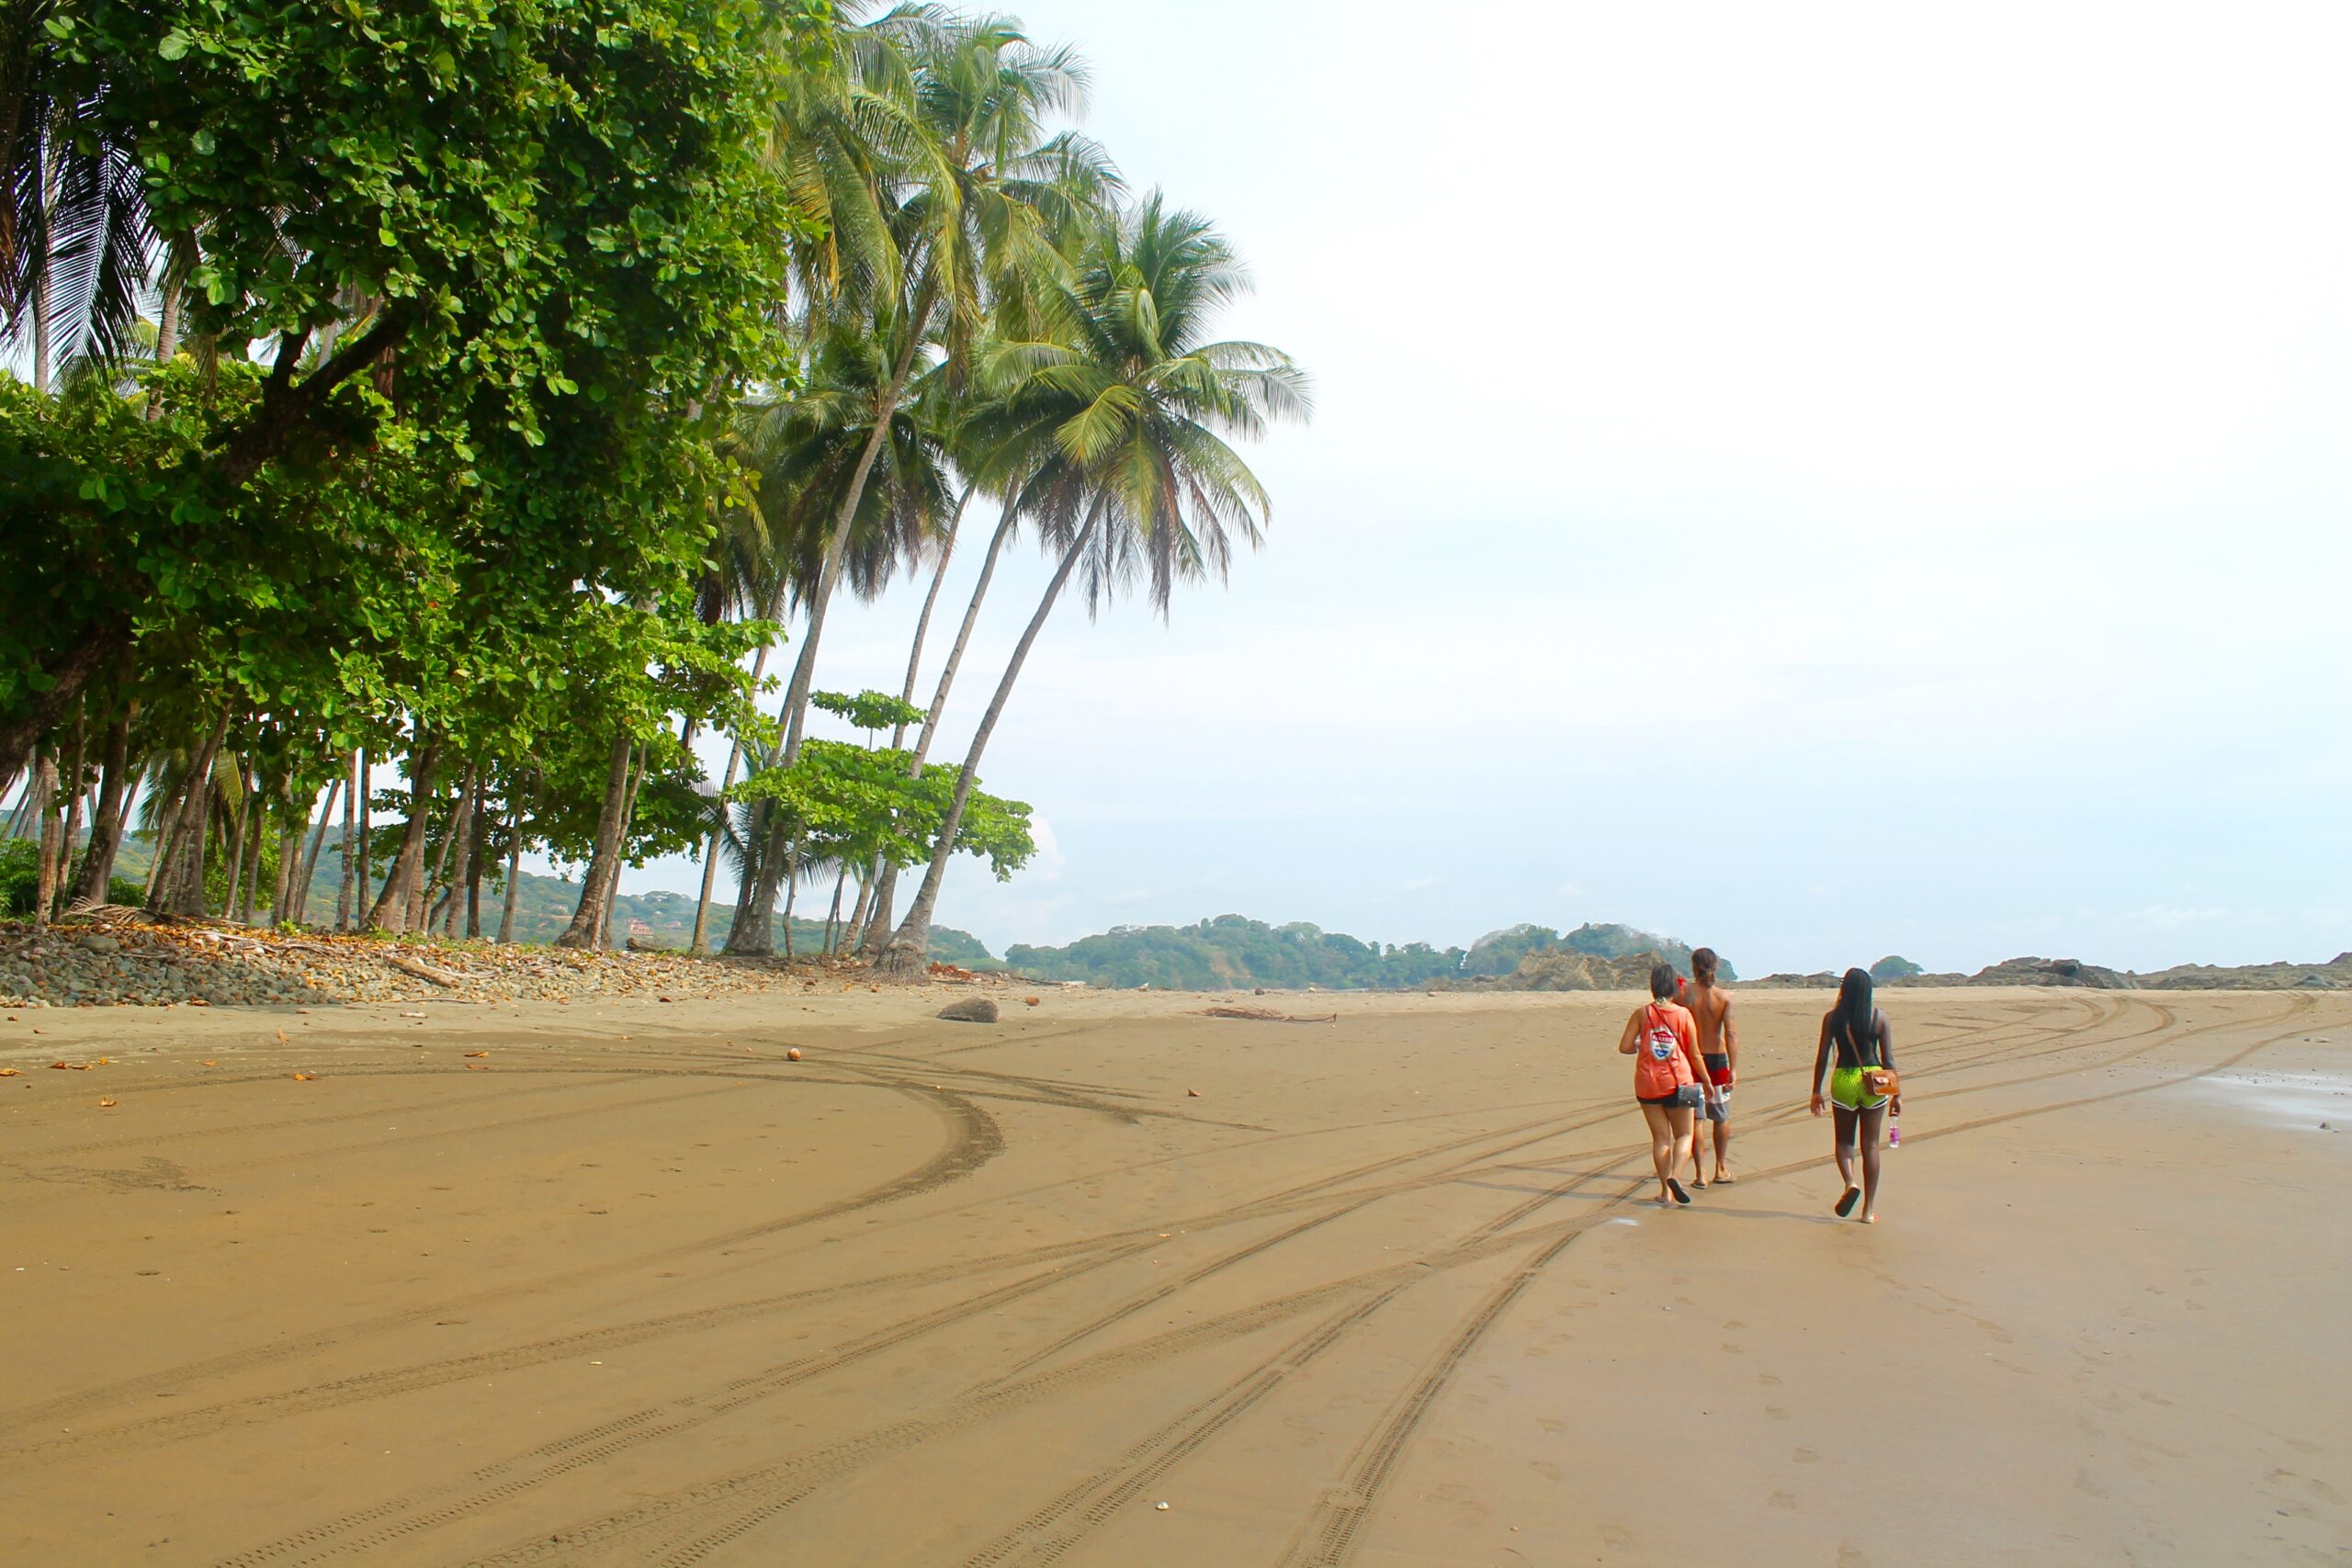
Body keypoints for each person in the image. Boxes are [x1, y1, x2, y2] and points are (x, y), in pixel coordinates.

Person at [1809, 966, 1902, 1223]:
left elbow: (1822, 1057)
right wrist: (1897, 1095)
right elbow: (1888, 1059)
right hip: (1874, 1080)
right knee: (1871, 1145)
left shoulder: (1832, 1018)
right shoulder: (1879, 1018)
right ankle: (1869, 1210)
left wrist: (1816, 1091)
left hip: (1845, 1079)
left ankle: (1850, 1182)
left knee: (1844, 1142)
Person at [1618, 960, 1712, 1206]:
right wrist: (1708, 1082)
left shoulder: (1642, 1013)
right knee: (1685, 1134)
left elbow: (1625, 1047)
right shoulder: (1684, 1014)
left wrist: (1642, 1045)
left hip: (1648, 1083)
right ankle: (1676, 1176)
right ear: (1674, 987)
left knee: (1661, 1139)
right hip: (1679, 1082)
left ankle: (1665, 1192)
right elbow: (1694, 1054)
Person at [1681, 947, 1739, 1185]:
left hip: (1692, 1059)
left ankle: (1700, 1174)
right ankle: (1720, 1167)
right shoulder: (1724, 997)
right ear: (1715, 967)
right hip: (1717, 1061)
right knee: (1721, 1116)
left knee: (1696, 1118)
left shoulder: (1684, 994)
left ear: (1694, 968)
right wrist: (1734, 1068)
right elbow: (1732, 1034)